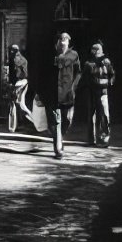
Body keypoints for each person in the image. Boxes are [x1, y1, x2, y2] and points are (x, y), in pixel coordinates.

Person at [42, 31, 81, 159]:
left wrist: (74, 87)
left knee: (67, 120)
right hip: (53, 94)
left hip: (68, 94)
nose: (63, 41)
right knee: (56, 122)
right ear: (57, 43)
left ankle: (60, 138)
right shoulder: (50, 55)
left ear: (69, 42)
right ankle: (58, 149)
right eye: (61, 39)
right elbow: (43, 74)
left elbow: (78, 72)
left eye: (65, 39)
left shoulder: (74, 55)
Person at [81, 40, 116, 146]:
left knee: (104, 114)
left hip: (103, 92)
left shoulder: (106, 62)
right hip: (92, 91)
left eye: (98, 51)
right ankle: (92, 139)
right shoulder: (88, 64)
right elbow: (84, 77)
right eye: (94, 51)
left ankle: (104, 139)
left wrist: (109, 83)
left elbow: (112, 74)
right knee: (92, 115)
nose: (96, 53)